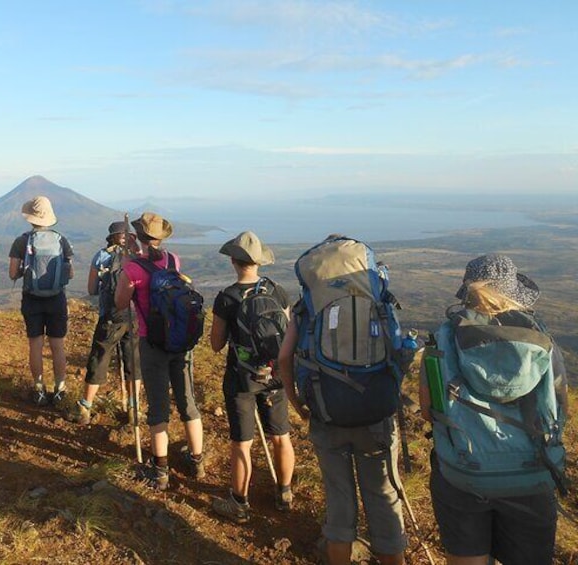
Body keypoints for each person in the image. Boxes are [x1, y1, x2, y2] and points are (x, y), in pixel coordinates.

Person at [419, 254, 568, 565]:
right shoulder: (541, 339)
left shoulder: (445, 337)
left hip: (463, 472)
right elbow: (559, 409)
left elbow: (427, 409)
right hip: (531, 472)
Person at [278, 239, 407, 565]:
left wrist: (296, 403)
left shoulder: (306, 306)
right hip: (376, 415)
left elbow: (284, 357)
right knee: (384, 498)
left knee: (339, 502)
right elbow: (398, 352)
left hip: (326, 410)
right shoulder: (378, 300)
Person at [114, 212, 204, 490]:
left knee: (158, 405)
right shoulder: (174, 260)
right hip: (179, 341)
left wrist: (126, 264)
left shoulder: (132, 269)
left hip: (151, 343)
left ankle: (160, 470)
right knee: (186, 399)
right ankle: (197, 459)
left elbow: (120, 303)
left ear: (137, 237)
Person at [209, 231, 295, 522]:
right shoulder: (277, 290)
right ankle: (284, 493)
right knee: (281, 437)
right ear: (259, 262)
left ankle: (239, 503)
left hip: (241, 379)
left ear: (233, 260)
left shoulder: (227, 298)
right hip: (276, 376)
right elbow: (287, 333)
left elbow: (216, 343)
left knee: (241, 443)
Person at [68, 221, 141, 424]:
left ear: (112, 236)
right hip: (135, 317)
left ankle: (85, 405)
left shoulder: (102, 256)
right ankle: (134, 408)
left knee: (99, 356)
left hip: (110, 316)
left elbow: (92, 289)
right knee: (133, 361)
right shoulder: (138, 256)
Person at [8, 196, 74, 407]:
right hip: (56, 299)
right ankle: (60, 390)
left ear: (31, 218)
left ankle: (39, 390)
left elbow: (12, 274)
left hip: (32, 300)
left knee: (35, 345)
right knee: (57, 345)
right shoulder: (61, 240)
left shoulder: (22, 241)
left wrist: (25, 272)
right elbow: (70, 273)